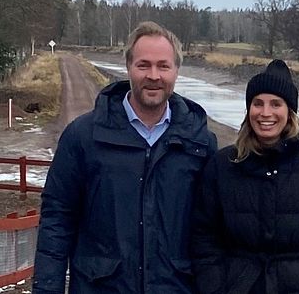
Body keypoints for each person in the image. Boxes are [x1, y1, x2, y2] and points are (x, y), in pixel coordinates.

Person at [33, 21, 218, 294]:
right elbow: (57, 220)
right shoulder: (84, 136)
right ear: (128, 67)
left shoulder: (199, 142)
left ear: (176, 70)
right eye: (143, 65)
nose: (153, 75)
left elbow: (212, 231)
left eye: (163, 66)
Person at [191, 59, 299, 294]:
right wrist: (215, 286)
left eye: (276, 104)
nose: (265, 113)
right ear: (248, 109)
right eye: (258, 103)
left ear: (289, 111)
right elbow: (202, 236)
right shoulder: (222, 167)